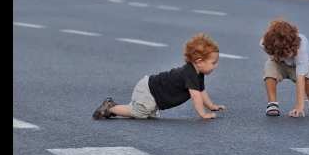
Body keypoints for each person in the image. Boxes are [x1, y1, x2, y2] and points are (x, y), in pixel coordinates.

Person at [92, 33, 225, 120]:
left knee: (148, 114)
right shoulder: (189, 73)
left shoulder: (198, 74)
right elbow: (196, 96)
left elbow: (201, 92)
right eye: (213, 63)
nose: (216, 66)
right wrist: (203, 114)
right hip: (149, 90)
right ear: (200, 62)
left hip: (153, 92)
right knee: (139, 113)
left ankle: (114, 106)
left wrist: (211, 106)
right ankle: (110, 107)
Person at [260, 19, 309, 117]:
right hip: (279, 65)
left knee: (307, 75)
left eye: (284, 55)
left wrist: (299, 106)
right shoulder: (267, 42)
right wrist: (272, 55)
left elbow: (300, 79)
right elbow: (263, 45)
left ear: (292, 47)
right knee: (269, 66)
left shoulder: (301, 51)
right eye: (279, 55)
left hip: (298, 66)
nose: (281, 58)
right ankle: (272, 104)